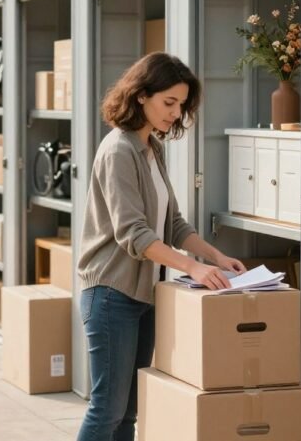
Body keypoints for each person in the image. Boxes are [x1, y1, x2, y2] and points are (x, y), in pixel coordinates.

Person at [76, 53, 246, 441]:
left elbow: (171, 224)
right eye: (169, 102)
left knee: (128, 414)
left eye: (181, 105)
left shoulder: (151, 148)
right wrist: (193, 268)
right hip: (110, 295)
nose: (176, 113)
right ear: (140, 96)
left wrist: (215, 257)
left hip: (143, 295)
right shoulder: (118, 150)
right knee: (107, 410)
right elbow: (134, 234)